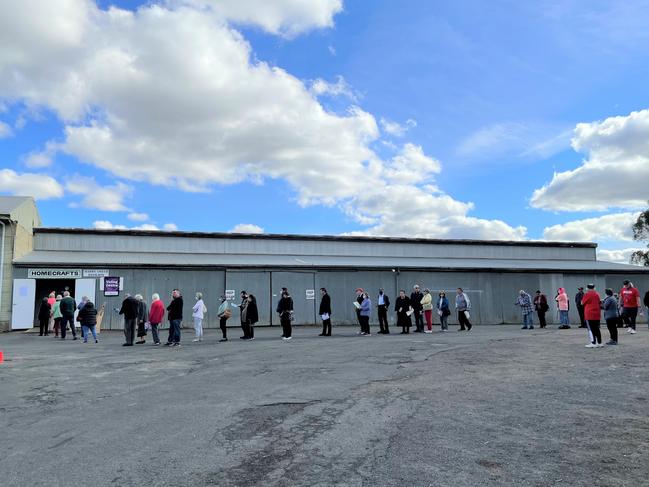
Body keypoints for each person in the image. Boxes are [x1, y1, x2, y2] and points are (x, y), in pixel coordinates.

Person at [582, 283, 602, 348]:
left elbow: (582, 303)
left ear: (587, 288)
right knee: (597, 328)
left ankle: (593, 342)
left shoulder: (587, 294)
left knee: (590, 329)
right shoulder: (597, 294)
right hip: (597, 313)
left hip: (589, 313)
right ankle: (599, 342)